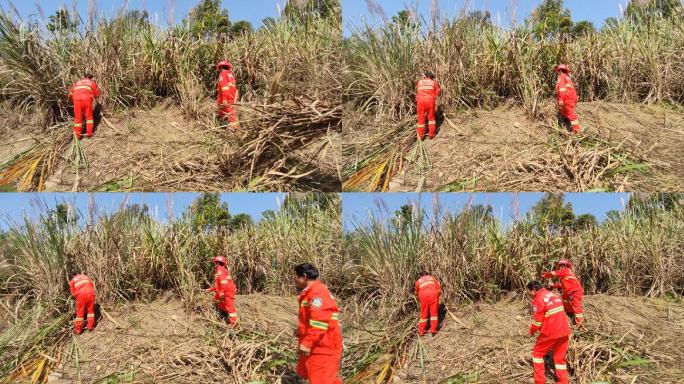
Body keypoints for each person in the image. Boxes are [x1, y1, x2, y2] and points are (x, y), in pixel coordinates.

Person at [294, 263, 342, 384]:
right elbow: (309, 320)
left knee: (321, 380)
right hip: (319, 345)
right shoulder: (311, 292)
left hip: (323, 346)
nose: (294, 279)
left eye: (295, 276)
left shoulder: (317, 294)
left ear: (304, 276)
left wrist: (307, 342)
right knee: (326, 379)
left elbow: (319, 323)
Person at [527, 281, 570, 384]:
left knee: (537, 354)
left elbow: (537, 321)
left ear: (533, 290)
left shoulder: (538, 299)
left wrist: (531, 331)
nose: (529, 294)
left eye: (529, 291)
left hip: (550, 332)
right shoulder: (553, 295)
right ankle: (563, 381)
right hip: (564, 330)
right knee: (560, 359)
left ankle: (539, 381)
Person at [542, 259, 584, 327]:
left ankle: (580, 324)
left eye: (562, 265)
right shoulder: (565, 276)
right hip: (569, 293)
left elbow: (554, 273)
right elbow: (562, 285)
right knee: (564, 300)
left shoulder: (566, 270)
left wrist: (546, 275)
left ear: (566, 266)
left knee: (576, 306)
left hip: (575, 292)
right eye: (560, 266)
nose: (561, 267)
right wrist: (553, 285)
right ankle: (570, 314)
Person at [68, 74, 101, 140]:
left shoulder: (78, 82)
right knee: (89, 117)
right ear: (90, 78)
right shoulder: (91, 82)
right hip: (87, 100)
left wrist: (72, 101)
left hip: (77, 100)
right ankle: (89, 133)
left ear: (84, 77)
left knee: (78, 118)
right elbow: (97, 94)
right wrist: (98, 101)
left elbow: (70, 94)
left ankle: (77, 135)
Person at [208, 255, 238, 325]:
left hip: (228, 291)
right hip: (225, 289)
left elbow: (223, 282)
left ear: (217, 263)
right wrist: (210, 289)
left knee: (230, 306)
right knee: (217, 298)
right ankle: (223, 313)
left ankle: (234, 324)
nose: (214, 264)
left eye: (215, 263)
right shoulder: (221, 269)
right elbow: (218, 285)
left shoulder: (220, 269)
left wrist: (221, 292)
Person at [555, 64, 581, 134]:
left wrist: (560, 101)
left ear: (559, 71)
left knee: (571, 114)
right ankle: (565, 122)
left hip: (567, 99)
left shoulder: (561, 77)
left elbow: (562, 89)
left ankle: (577, 131)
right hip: (572, 98)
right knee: (564, 112)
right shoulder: (568, 78)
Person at [415, 71, 440, 140]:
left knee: (421, 119)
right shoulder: (434, 82)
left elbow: (417, 90)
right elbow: (437, 92)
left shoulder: (420, 82)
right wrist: (432, 98)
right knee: (431, 118)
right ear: (431, 77)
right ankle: (431, 134)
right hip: (430, 101)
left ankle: (420, 136)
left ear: (425, 76)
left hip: (420, 101)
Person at [414, 271, 441, 336]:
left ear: (420, 276)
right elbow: (439, 289)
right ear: (427, 274)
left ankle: (421, 332)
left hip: (423, 296)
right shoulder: (432, 278)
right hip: (433, 294)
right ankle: (433, 330)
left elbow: (416, 292)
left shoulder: (418, 281)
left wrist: (418, 298)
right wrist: (437, 296)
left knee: (424, 313)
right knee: (434, 313)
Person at [216, 60, 240, 130]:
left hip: (226, 97)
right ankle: (224, 125)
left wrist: (224, 99)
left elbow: (224, 87)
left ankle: (234, 129)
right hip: (232, 96)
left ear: (220, 68)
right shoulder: (230, 75)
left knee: (230, 113)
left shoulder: (223, 74)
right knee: (223, 111)